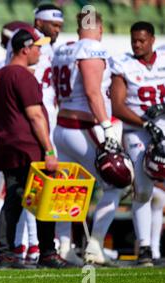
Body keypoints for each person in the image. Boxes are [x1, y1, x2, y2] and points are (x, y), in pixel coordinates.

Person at [0, 25, 68, 269]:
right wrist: (49, 149)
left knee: (12, 199)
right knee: (43, 198)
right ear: (25, 49)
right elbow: (35, 116)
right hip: (29, 147)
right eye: (37, 47)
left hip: (7, 145)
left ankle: (7, 253)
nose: (40, 53)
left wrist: (5, 134)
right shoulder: (23, 76)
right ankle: (46, 252)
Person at [52, 12, 126, 266]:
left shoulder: (63, 49)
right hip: (83, 127)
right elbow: (94, 92)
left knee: (67, 188)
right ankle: (95, 245)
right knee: (117, 183)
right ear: (100, 27)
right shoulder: (92, 49)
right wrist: (106, 127)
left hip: (62, 127)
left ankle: (63, 245)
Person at [109, 21, 165, 266]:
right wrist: (145, 123)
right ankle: (144, 248)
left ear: (152, 39)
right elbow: (117, 106)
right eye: (134, 41)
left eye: (142, 40)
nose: (137, 45)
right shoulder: (124, 65)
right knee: (142, 188)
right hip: (137, 131)